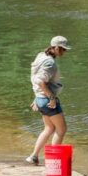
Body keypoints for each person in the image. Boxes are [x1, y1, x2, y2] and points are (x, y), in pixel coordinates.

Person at [25, 35, 71, 165]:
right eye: (62, 49)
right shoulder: (50, 62)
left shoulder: (41, 56)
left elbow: (34, 78)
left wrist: (37, 97)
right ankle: (53, 162)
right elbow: (40, 81)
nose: (64, 52)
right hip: (47, 100)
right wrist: (51, 97)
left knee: (49, 128)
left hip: (40, 99)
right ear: (55, 48)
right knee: (61, 130)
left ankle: (33, 156)